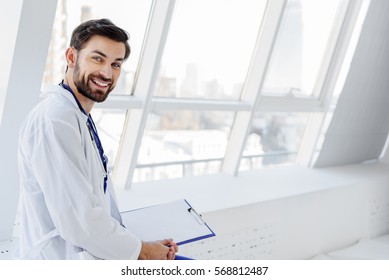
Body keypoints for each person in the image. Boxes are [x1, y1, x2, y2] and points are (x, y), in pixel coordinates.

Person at [15, 18, 178, 260]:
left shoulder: (78, 116)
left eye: (116, 64)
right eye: (97, 58)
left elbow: (92, 205)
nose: (106, 72)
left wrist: (140, 244)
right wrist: (142, 251)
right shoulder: (55, 119)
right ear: (71, 57)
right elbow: (78, 220)